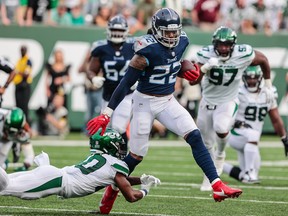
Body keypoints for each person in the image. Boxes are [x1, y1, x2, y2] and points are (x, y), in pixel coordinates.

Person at [86, 8, 243, 214]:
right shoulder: (145, 51)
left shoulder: (183, 41)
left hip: (168, 100)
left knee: (195, 136)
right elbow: (125, 84)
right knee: (135, 157)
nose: (172, 36)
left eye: (174, 31)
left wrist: (185, 68)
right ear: (156, 30)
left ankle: (217, 186)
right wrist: (107, 113)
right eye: (167, 32)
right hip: (144, 103)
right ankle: (108, 197)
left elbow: (174, 63)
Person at [190, 26, 274, 191]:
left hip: (228, 100)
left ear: (233, 45)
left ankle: (220, 154)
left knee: (221, 128)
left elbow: (263, 59)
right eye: (220, 45)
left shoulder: (243, 53)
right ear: (214, 44)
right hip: (207, 100)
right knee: (206, 143)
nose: (223, 48)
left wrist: (269, 85)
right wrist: (205, 68)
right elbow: (193, 81)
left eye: (227, 44)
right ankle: (209, 176)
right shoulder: (205, 54)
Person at [0, 128, 161, 208]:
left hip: (54, 175)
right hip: (57, 180)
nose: (121, 149)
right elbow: (130, 196)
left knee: (6, 183)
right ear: (112, 147)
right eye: (118, 146)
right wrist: (145, 189)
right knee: (7, 188)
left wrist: (140, 179)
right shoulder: (116, 167)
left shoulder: (101, 158)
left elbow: (120, 180)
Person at [223, 65, 288, 183]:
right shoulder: (237, 92)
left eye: (254, 78)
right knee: (253, 135)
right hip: (236, 133)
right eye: (249, 78)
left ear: (260, 78)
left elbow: (275, 118)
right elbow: (226, 111)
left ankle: (217, 163)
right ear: (244, 78)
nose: (251, 81)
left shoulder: (268, 93)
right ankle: (249, 173)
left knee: (253, 172)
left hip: (251, 139)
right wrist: (234, 122)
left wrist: (284, 138)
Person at [88, 14, 135, 144]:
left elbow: (144, 66)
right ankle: (108, 157)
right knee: (105, 129)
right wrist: (93, 78)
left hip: (126, 95)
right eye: (114, 30)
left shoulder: (133, 47)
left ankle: (123, 156)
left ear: (126, 31)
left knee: (118, 128)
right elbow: (91, 69)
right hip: (107, 95)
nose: (117, 33)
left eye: (120, 30)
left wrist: (139, 79)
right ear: (108, 30)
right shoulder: (101, 48)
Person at [14, 45, 33, 123]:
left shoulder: (27, 60)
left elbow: (26, 73)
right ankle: (18, 124)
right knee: (18, 106)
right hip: (18, 85)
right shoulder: (19, 60)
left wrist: (17, 72)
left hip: (24, 85)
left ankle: (25, 124)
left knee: (24, 106)